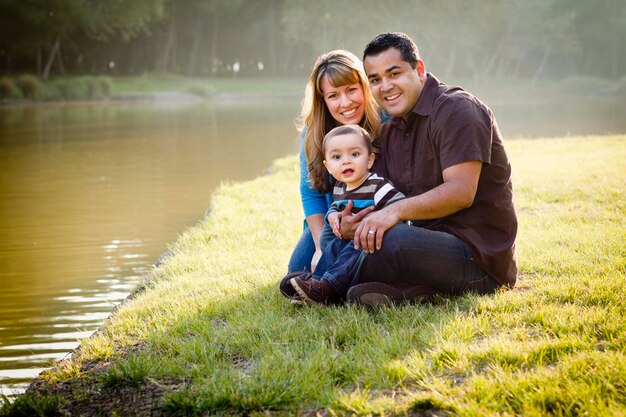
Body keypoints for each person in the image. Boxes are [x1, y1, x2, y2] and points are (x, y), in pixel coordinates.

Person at [339, 32, 518, 305]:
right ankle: (411, 292)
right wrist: (352, 222)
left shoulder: (458, 110)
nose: (385, 86)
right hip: (426, 246)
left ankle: (328, 288)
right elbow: (377, 194)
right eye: (375, 80)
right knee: (366, 237)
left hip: (478, 259)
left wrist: (394, 211)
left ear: (419, 69)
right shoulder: (390, 132)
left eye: (394, 73)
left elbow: (461, 191)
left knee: (391, 241)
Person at [286, 50, 384, 275]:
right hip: (333, 221)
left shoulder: (384, 123)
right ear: (323, 100)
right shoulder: (313, 134)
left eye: (351, 90)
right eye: (333, 95)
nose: (345, 102)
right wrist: (321, 247)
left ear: (364, 87)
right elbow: (311, 194)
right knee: (298, 269)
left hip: (376, 216)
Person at [287, 125, 404, 305]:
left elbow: (400, 207)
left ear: (370, 160)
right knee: (334, 246)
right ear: (327, 166)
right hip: (349, 238)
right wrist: (332, 215)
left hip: (372, 244)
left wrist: (380, 221)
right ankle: (315, 284)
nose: (346, 161)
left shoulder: (377, 186)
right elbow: (336, 206)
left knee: (353, 248)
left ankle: (328, 287)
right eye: (337, 157)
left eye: (355, 155)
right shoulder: (341, 187)